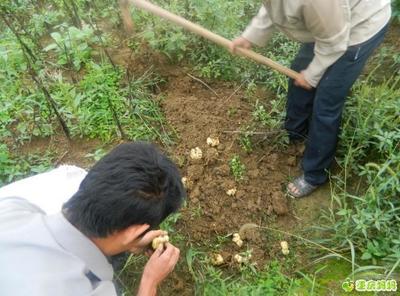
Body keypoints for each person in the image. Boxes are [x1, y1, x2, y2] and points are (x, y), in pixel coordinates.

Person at [231, 0, 391, 197]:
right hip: (329, 22)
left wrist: (313, 74)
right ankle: (295, 133)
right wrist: (251, 36)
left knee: (326, 100)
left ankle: (314, 174)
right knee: (298, 71)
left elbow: (334, 43)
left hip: (360, 25)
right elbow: (272, 5)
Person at [0, 142, 186, 296]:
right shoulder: (90, 291)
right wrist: (149, 281)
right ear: (134, 232)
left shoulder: (12, 206)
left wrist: (125, 242)